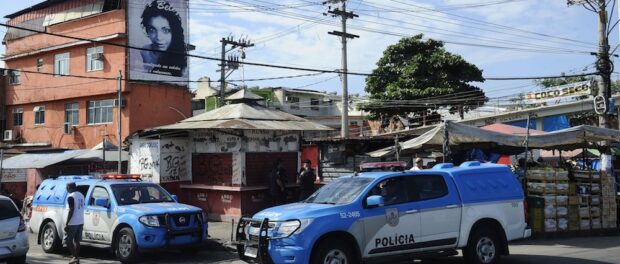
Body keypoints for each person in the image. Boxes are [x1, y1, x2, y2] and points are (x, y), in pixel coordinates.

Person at [139, 0, 187, 77]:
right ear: (146, 30)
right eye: (152, 30)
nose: (158, 38)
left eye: (166, 30)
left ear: (174, 32)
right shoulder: (143, 52)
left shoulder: (182, 59)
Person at [65, 182, 84, 264]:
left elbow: (71, 210)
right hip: (81, 220)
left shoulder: (71, 197)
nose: (66, 189)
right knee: (77, 241)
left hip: (73, 222)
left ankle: (75, 257)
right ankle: (76, 258)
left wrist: (67, 223)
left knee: (69, 241)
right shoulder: (81, 195)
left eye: (67, 187)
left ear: (70, 187)